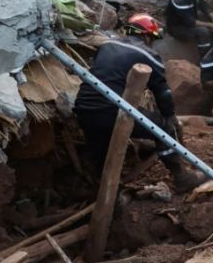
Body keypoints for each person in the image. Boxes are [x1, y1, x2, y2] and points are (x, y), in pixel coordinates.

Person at [73, 14, 206, 192]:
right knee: (162, 130)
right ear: (146, 36)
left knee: (100, 152)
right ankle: (182, 177)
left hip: (83, 108)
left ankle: (104, 191)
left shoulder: (106, 45)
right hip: (112, 110)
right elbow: (163, 93)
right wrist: (169, 116)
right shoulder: (147, 54)